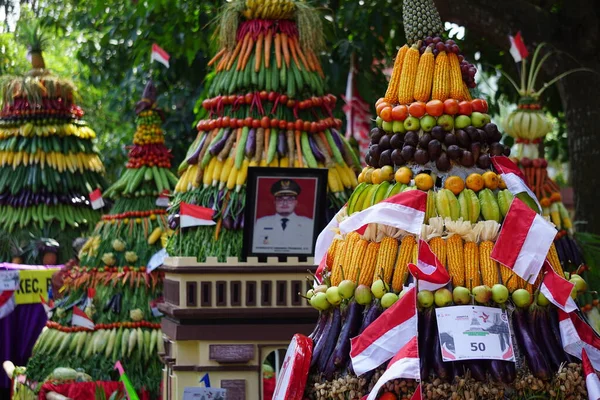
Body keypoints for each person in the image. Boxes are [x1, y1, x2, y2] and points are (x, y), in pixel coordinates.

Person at [252, 179, 314, 253]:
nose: (285, 203)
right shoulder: (261, 223)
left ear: (296, 202)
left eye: (290, 199)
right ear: (274, 202)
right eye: (280, 199)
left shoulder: (308, 224)